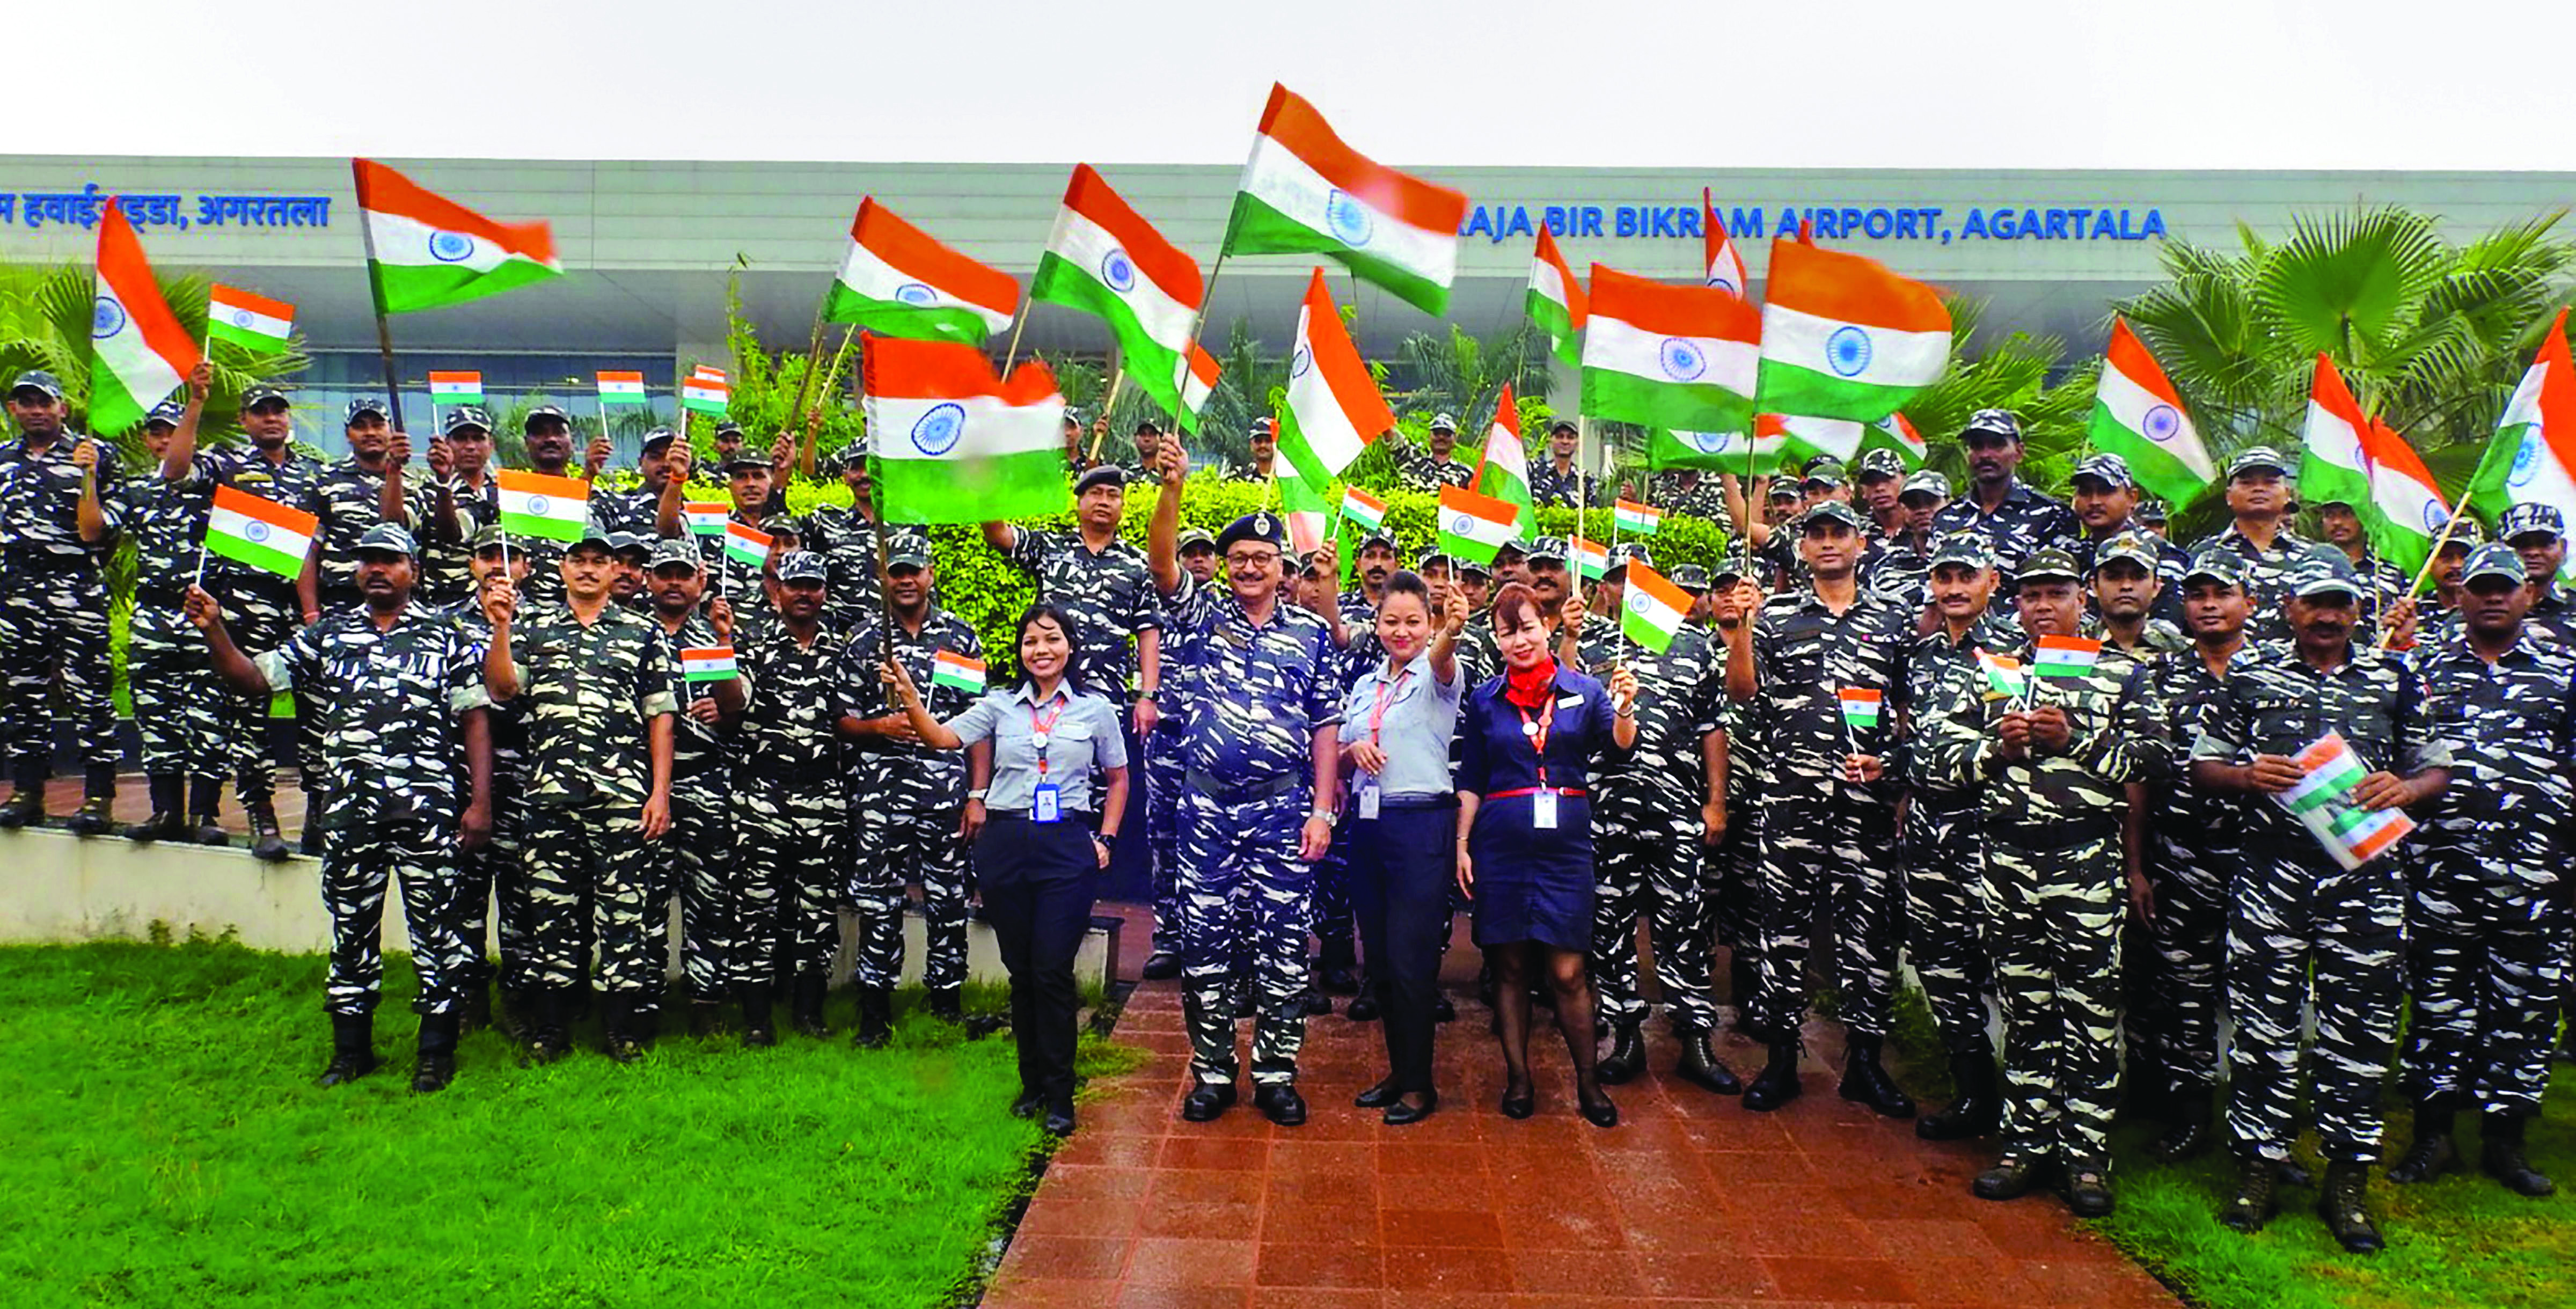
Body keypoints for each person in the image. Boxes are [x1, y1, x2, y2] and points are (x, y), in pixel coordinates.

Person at [2191, 554, 2450, 1253]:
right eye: (2315, 602)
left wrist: (2407, 787)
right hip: (2272, 878)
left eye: (2340, 602)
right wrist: (2246, 775)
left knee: (2359, 1033)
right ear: (2290, 606)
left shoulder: (2393, 676)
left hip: (2364, 882)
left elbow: (2437, 766)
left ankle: (2347, 1177)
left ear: (2356, 610)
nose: (2328, 614)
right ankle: (2258, 1165)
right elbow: (2202, 766)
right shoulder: (2251, 674)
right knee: (2261, 1028)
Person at [186, 524, 493, 1092]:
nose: (378, 569)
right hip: (351, 812)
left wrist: (479, 803)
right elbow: (255, 680)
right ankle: (351, 1052)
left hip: (427, 810)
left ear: (413, 572)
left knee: (438, 934)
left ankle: (435, 1054)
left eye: (390, 561)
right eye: (368, 560)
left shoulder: (447, 635)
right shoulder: (329, 634)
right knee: (351, 931)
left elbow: (475, 717)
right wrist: (215, 631)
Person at [1921, 546, 2163, 1217]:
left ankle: (2086, 1154)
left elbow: (2156, 758)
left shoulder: (2120, 674)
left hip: (2084, 861)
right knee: (2026, 1007)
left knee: (2089, 1010)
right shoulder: (1991, 673)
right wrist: (1996, 748)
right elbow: (1939, 763)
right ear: (2017, 604)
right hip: (2006, 861)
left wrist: (2076, 741)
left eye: (2057, 593)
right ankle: (2025, 1142)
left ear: (2082, 599)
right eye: (2031, 595)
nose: (2044, 605)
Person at [1146, 452, 1341, 1127]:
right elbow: (1164, 564)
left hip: (1284, 809)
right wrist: (1171, 490)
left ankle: (1277, 1072)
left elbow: (1325, 726)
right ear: (1226, 565)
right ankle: (1213, 1072)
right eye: (1240, 558)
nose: (1252, 568)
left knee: (1284, 944)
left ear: (1283, 567)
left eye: (1264, 557)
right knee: (1205, 943)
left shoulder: (1311, 634)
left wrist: (1322, 811)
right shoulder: (1201, 617)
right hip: (1207, 809)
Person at [884, 602, 1129, 1136]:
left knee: (1051, 971)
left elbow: (1118, 777)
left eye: (1051, 639)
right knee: (1021, 973)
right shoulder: (998, 706)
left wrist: (1106, 838)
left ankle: (1062, 1093)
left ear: (1070, 646)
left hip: (1066, 845)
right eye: (1030, 642)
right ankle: (1032, 1084)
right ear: (1019, 652)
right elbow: (942, 739)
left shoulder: (1094, 709)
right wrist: (908, 699)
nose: (1040, 650)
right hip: (1005, 841)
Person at [2387, 542, 2572, 1198]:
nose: (2493, 597)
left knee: (2523, 1009)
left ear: (2527, 594)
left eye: (2506, 587)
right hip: (2441, 872)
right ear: (2461, 596)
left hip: (2538, 877)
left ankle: (2507, 1141)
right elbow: (2397, 753)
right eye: (2481, 587)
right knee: (2440, 1005)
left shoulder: (2565, 670)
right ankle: (2432, 1135)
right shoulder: (2422, 669)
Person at [1720, 500, 1918, 1115]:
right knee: (1782, 931)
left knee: (1869, 936)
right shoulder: (1776, 615)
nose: (1828, 544)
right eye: (1817, 536)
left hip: (1865, 803)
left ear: (1860, 544)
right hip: (1792, 799)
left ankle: (1865, 1062)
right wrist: (1745, 628)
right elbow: (1742, 691)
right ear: (1802, 549)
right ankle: (1782, 1059)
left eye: (1839, 534)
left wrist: (1899, 777)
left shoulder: (1894, 619)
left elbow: (1908, 709)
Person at [481, 526, 678, 1064]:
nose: (589, 568)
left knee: (624, 918)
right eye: (578, 559)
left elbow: (660, 715)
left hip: (621, 799)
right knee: (553, 918)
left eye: (600, 560)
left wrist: (659, 793)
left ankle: (620, 1031)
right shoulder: (533, 626)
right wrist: (500, 627)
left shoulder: (642, 633)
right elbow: (502, 689)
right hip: (550, 798)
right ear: (563, 568)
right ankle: (551, 1031)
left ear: (617, 571)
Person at [1456, 582, 1640, 1126]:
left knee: (1567, 972)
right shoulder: (1485, 699)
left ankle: (1588, 1082)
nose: (1521, 640)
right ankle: (1518, 1078)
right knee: (1509, 967)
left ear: (1549, 626)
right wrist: (1462, 845)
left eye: (1529, 627)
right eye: (1508, 631)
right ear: (1496, 638)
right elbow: (1472, 776)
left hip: (1565, 849)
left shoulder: (1584, 690)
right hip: (1501, 844)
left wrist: (1626, 709)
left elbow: (1618, 749)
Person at [1563, 544, 1739, 1094]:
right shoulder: (1589, 645)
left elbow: (1714, 728)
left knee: (1684, 923)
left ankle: (1695, 1039)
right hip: (1605, 811)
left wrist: (1716, 802)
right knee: (1610, 927)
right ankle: (1627, 1034)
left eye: (1636, 579)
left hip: (1676, 810)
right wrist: (1568, 638)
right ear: (1605, 587)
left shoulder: (1692, 644)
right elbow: (1559, 702)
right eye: (1615, 579)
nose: (1625, 588)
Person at [2129, 549, 2255, 1164]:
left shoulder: (2275, 677)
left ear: (2248, 603)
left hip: (2264, 863)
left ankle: (2261, 1128)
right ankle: (2188, 1115)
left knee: (2264, 994)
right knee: (2184, 992)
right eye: (2198, 594)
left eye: (2222, 593)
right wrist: (2136, 865)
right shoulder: (2161, 676)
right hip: (2179, 857)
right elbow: (2140, 780)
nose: (2209, 605)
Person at [1901, 533, 2020, 1142]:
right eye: (1944, 577)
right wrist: (1888, 771)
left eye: (1966, 576)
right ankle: (1972, 1089)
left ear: (1991, 582)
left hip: (1992, 833)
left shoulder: (2015, 656)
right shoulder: (1921, 657)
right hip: (1927, 831)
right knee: (1941, 966)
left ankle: (2026, 1106)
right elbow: (1913, 741)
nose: (1953, 588)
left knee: (2007, 968)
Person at [839, 540, 984, 1035]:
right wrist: (878, 728)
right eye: (896, 571)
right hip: (882, 791)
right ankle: (875, 1010)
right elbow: (840, 721)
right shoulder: (863, 640)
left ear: (931, 573)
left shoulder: (959, 638)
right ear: (883, 576)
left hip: (944, 792)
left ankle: (946, 1002)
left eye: (914, 571)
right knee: (879, 899)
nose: (905, 580)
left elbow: (978, 722)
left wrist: (976, 794)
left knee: (949, 896)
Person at [1340, 569, 1466, 1124]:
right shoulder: (1367, 684)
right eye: (1391, 621)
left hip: (1420, 824)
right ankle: (1398, 1070)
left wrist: (1453, 630)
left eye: (1414, 621)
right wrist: (1354, 753)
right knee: (1383, 961)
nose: (1401, 631)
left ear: (1429, 624)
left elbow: (1441, 656)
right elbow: (1346, 745)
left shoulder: (1438, 675)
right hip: (1369, 824)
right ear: (1377, 622)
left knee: (1413, 961)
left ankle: (1420, 1087)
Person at [77, 374, 224, 843]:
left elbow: (179, 467)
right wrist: (88, 476)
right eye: (157, 433)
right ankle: (166, 812)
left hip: (202, 615)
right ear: (146, 438)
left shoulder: (211, 476)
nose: (165, 441)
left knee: (208, 717)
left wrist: (196, 403)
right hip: (153, 616)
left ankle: (204, 815)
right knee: (156, 714)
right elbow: (93, 530)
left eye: (173, 431)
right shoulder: (139, 491)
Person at [0, 369, 123, 831]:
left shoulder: (95, 455)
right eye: (26, 402)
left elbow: (100, 531)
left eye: (44, 402)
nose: (36, 410)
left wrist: (87, 474)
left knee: (89, 693)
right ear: (13, 409)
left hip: (75, 586)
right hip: (17, 589)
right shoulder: (4, 459)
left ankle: (98, 796)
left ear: (62, 408)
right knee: (23, 691)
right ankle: (27, 790)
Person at [731, 552, 848, 1039]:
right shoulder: (752, 646)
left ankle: (808, 1012)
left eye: (813, 585)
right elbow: (733, 705)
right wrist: (722, 641)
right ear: (777, 591)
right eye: (795, 584)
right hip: (764, 793)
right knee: (755, 907)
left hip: (823, 794)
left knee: (817, 909)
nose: (804, 593)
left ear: (823, 592)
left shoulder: (843, 653)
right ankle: (757, 1019)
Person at [640, 539, 754, 1038]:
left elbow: (736, 706)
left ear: (700, 582)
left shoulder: (714, 636)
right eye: (664, 573)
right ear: (649, 579)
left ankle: (706, 1003)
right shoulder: (630, 634)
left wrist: (723, 661)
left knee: (709, 899)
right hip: (644, 785)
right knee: (644, 897)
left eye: (683, 574)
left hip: (705, 781)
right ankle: (641, 1001)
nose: (673, 582)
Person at [437, 525, 533, 1033]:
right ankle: (468, 998)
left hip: (522, 776)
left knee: (520, 899)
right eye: (487, 554)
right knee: (464, 895)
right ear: (471, 563)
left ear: (528, 567)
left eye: (511, 555)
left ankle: (518, 1002)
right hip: (459, 777)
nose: (499, 563)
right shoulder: (444, 624)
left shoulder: (541, 622)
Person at [1930, 409, 2078, 610]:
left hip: (2027, 634)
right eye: (1977, 446)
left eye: (1997, 445)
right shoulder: (1947, 518)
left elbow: (2066, 590)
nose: (1986, 455)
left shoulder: (2051, 513)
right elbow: (1932, 591)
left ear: (2019, 452)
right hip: (1960, 634)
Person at [2191, 447, 2319, 642]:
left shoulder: (2313, 556)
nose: (2259, 489)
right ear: (2228, 496)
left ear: (2286, 494)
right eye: (2247, 483)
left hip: (2297, 670)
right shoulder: (2203, 554)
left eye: (2270, 482)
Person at [307, 398, 420, 616]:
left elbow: (395, 526)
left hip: (396, 602)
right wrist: (311, 613)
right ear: (348, 434)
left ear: (391, 430)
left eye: (378, 425)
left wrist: (394, 470)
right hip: (339, 599)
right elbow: (308, 552)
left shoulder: (414, 483)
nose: (370, 433)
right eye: (360, 426)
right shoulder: (324, 481)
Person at [2067, 454, 2191, 627]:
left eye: (2105, 491)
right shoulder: (2071, 555)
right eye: (2085, 492)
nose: (2094, 501)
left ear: (2132, 498)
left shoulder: (2160, 553)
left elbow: (2168, 627)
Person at [419, 407, 500, 605]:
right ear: (447, 444)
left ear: (491, 444)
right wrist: (444, 482)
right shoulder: (428, 491)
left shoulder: (507, 493)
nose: (470, 446)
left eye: (478, 438)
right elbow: (450, 534)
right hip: (444, 601)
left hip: (498, 601)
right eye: (461, 438)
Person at [2314, 494, 2412, 639]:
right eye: (2329, 516)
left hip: (2378, 655)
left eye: (2347, 514)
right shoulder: (2313, 567)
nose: (2337, 522)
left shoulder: (2391, 573)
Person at [1402, 412, 1477, 494]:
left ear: (1455, 438)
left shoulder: (1465, 473)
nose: (1441, 437)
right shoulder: (1414, 462)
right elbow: (1393, 440)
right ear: (1429, 436)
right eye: (1437, 433)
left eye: (1447, 434)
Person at [1529, 420, 1594, 508]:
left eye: (1570, 437)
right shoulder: (1535, 473)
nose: (1565, 441)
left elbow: (1593, 511)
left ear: (1577, 443)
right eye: (1560, 437)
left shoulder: (1585, 479)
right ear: (1551, 440)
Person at [1226, 418, 1279, 482]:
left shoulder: (1288, 478)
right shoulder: (1239, 477)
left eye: (1268, 441)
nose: (1263, 445)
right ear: (1251, 444)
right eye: (1258, 441)